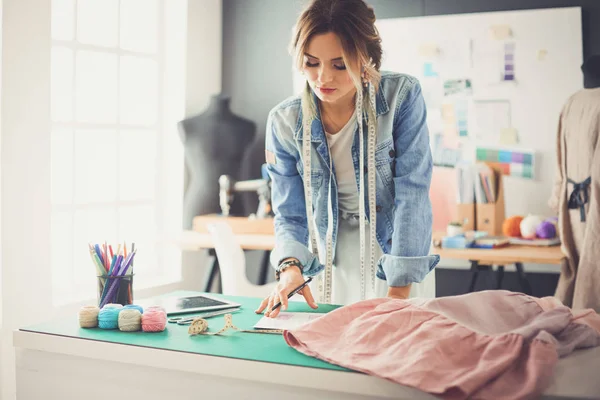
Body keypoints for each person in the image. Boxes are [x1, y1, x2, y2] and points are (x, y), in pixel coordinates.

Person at [256, 0, 439, 318]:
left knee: (393, 349)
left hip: (397, 251)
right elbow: (290, 213)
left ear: (365, 56)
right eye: (311, 63)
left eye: (339, 64)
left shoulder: (402, 97)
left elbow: (413, 194)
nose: (323, 77)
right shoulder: (284, 121)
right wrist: (291, 268)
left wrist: (398, 292)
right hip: (329, 256)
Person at [549, 54, 600, 312]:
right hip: (593, 202)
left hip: (572, 201)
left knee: (580, 264)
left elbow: (559, 158)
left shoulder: (571, 102)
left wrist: (558, 195)